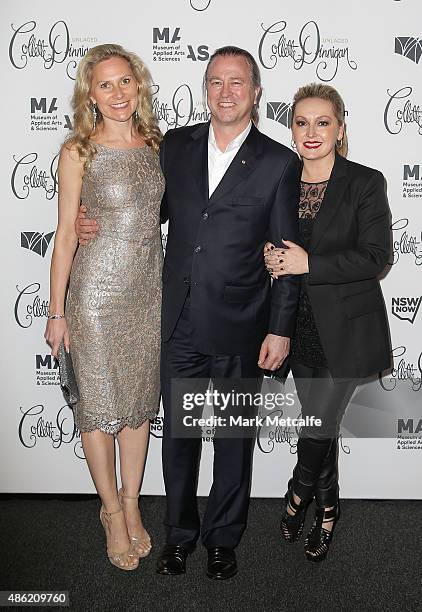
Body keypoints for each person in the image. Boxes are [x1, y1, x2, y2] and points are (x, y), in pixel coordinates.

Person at [76, 45, 301, 579]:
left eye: (237, 82)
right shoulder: (173, 146)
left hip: (242, 326)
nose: (226, 92)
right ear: (206, 89)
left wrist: (280, 329)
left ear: (255, 92)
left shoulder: (278, 163)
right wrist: (89, 220)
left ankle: (223, 540)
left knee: (232, 444)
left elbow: (287, 255)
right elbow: (140, 210)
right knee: (178, 440)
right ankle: (179, 536)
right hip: (174, 323)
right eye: (216, 82)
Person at [44, 44, 164, 570]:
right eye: (105, 85)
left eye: (124, 82)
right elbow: (67, 233)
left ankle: (134, 504)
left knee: (138, 407)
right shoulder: (79, 151)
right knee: (97, 409)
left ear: (137, 85)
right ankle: (111, 512)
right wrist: (56, 311)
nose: (117, 93)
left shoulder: (156, 144)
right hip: (94, 296)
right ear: (89, 94)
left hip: (147, 293)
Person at [264, 83, 392, 562]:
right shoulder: (281, 182)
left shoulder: (364, 181)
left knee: (317, 423)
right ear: (292, 130)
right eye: (301, 122)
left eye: (322, 122)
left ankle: (298, 493)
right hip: (296, 327)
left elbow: (376, 257)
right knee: (323, 426)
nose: (311, 131)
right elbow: (273, 244)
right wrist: (268, 256)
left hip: (348, 330)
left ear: (340, 128)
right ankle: (330, 508)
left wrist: (309, 264)